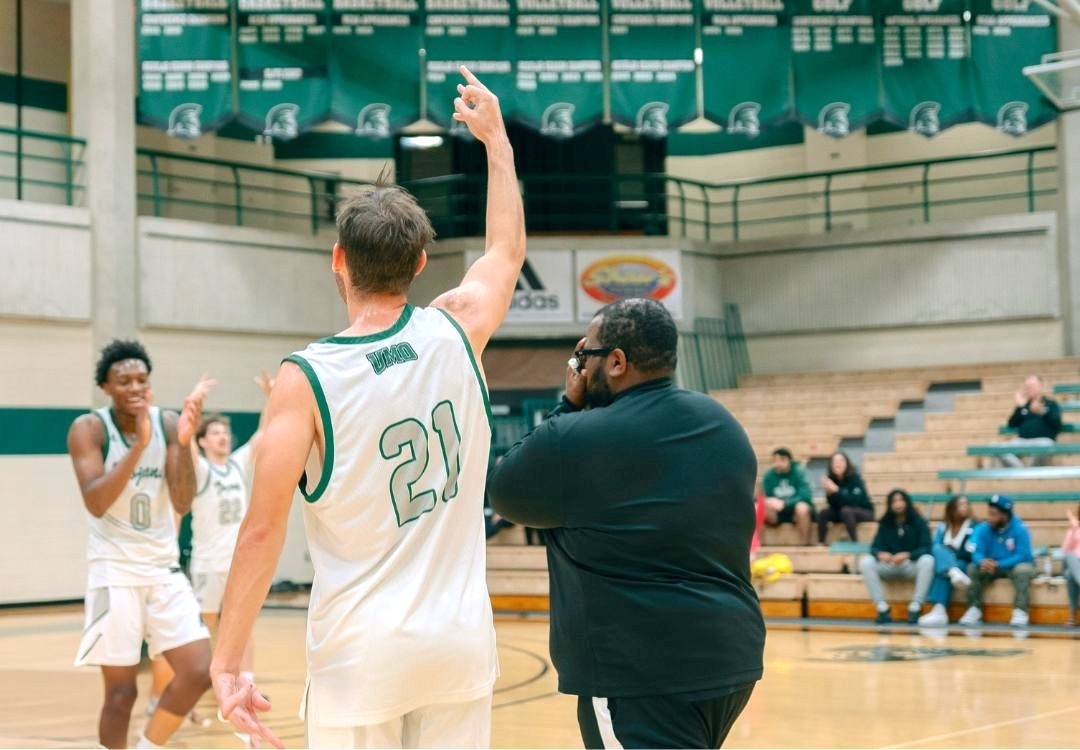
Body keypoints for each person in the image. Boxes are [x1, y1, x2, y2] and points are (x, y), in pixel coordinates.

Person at [210, 65, 525, 750]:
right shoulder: (457, 327)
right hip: (457, 649)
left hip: (362, 657)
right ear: (418, 262)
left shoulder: (304, 378)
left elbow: (260, 535)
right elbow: (505, 250)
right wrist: (496, 142)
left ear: (337, 260)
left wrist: (229, 657)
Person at [488, 298, 765, 750]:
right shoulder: (722, 424)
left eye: (585, 355)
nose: (579, 365)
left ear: (616, 362)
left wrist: (568, 405)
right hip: (730, 661)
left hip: (638, 675)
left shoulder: (578, 438)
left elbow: (504, 490)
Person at [67, 339, 213, 749]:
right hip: (113, 571)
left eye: (141, 379)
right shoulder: (89, 429)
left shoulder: (167, 423)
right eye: (123, 380)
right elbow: (96, 501)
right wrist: (136, 449)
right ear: (106, 387)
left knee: (200, 670)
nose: (134, 387)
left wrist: (182, 443)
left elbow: (183, 500)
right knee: (121, 694)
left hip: (162, 569)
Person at [147, 372, 275, 731]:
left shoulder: (236, 464)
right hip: (206, 566)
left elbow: (264, 434)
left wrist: (272, 398)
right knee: (199, 637)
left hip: (238, 564)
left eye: (225, 433)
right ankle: (173, 699)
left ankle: (245, 686)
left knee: (243, 625)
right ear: (204, 441)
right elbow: (184, 441)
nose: (223, 436)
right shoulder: (200, 470)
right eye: (215, 432)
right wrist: (195, 402)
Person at [858, 488, 934, 624]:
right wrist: (880, 554)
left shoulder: (919, 522)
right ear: (890, 504)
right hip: (890, 565)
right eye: (894, 501)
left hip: (910, 565)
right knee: (866, 562)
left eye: (901, 500)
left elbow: (927, 547)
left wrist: (908, 555)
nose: (898, 504)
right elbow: (874, 547)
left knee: (928, 560)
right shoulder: (885, 523)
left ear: (907, 502)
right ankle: (882, 608)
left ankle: (916, 607)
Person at [959, 495, 1036, 627]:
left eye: (993, 514)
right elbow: (976, 552)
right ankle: (974, 609)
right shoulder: (984, 528)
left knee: (1023, 570)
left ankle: (1020, 611)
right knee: (973, 567)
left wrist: (999, 564)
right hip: (991, 566)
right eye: (989, 513)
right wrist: (981, 561)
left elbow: (1022, 555)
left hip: (1014, 566)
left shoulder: (1020, 528)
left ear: (1004, 515)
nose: (989, 518)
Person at [917, 495, 975, 627]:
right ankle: (952, 571)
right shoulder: (943, 527)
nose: (965, 507)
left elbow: (972, 549)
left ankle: (939, 611)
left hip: (964, 562)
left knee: (941, 568)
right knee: (937, 549)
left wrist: (953, 551)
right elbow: (935, 548)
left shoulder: (975, 526)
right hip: (950, 565)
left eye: (966, 504)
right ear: (952, 509)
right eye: (961, 505)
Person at [1000, 375, 1062, 466]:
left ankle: (1029, 472)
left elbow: (1057, 424)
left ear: (1040, 387)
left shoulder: (1051, 404)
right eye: (1028, 387)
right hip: (1021, 441)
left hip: (1043, 441)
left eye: (1033, 386)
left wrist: (1042, 412)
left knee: (1043, 447)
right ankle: (1022, 471)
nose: (1030, 389)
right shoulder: (1023, 406)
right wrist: (1020, 407)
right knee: (998, 449)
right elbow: (1011, 424)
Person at [817, 451, 873, 545]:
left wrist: (836, 490)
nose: (838, 464)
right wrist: (829, 493)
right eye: (834, 462)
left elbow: (855, 502)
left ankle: (854, 542)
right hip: (842, 512)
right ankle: (821, 542)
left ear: (847, 463)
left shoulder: (855, 478)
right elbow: (833, 505)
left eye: (841, 461)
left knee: (846, 511)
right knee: (824, 512)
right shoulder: (831, 480)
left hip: (864, 511)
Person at [762, 447, 815, 546]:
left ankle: (804, 543)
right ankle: (760, 546)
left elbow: (806, 496)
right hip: (777, 513)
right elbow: (764, 496)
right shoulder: (769, 475)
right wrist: (770, 501)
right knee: (759, 507)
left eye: (781, 460)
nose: (777, 464)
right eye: (775, 461)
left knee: (802, 508)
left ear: (788, 460)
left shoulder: (799, 472)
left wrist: (785, 503)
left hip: (795, 511)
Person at [1062, 505, 1080, 627]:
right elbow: (1065, 550)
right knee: (1070, 555)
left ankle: (1072, 616)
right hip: (1075, 562)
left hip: (1074, 572)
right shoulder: (1074, 529)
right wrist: (1074, 529)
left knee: (1070, 575)